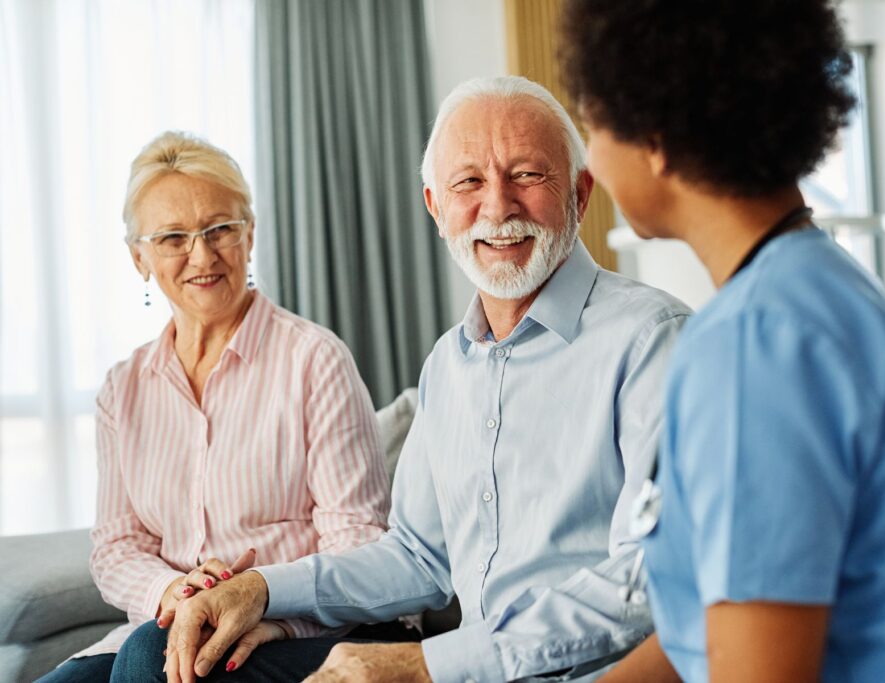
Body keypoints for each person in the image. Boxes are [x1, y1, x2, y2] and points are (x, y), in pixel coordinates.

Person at [140, 76, 692, 683]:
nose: (498, 206)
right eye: (468, 182)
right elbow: (418, 558)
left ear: (580, 195)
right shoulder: (448, 365)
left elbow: (651, 576)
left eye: (528, 175)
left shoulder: (652, 339)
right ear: (434, 206)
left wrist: (424, 664)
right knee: (160, 654)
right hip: (462, 671)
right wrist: (261, 592)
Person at [558, 1, 885, 682]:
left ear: (654, 133)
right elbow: (708, 632)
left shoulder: (754, 348)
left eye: (591, 126)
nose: (591, 158)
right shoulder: (819, 280)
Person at [37, 131, 393, 683]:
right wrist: (175, 592)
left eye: (219, 229)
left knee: (148, 660)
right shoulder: (123, 388)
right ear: (140, 257)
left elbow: (359, 544)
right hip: (172, 617)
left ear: (249, 236)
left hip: (300, 628)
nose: (201, 255)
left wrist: (268, 610)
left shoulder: (314, 360)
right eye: (173, 237)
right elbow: (117, 547)